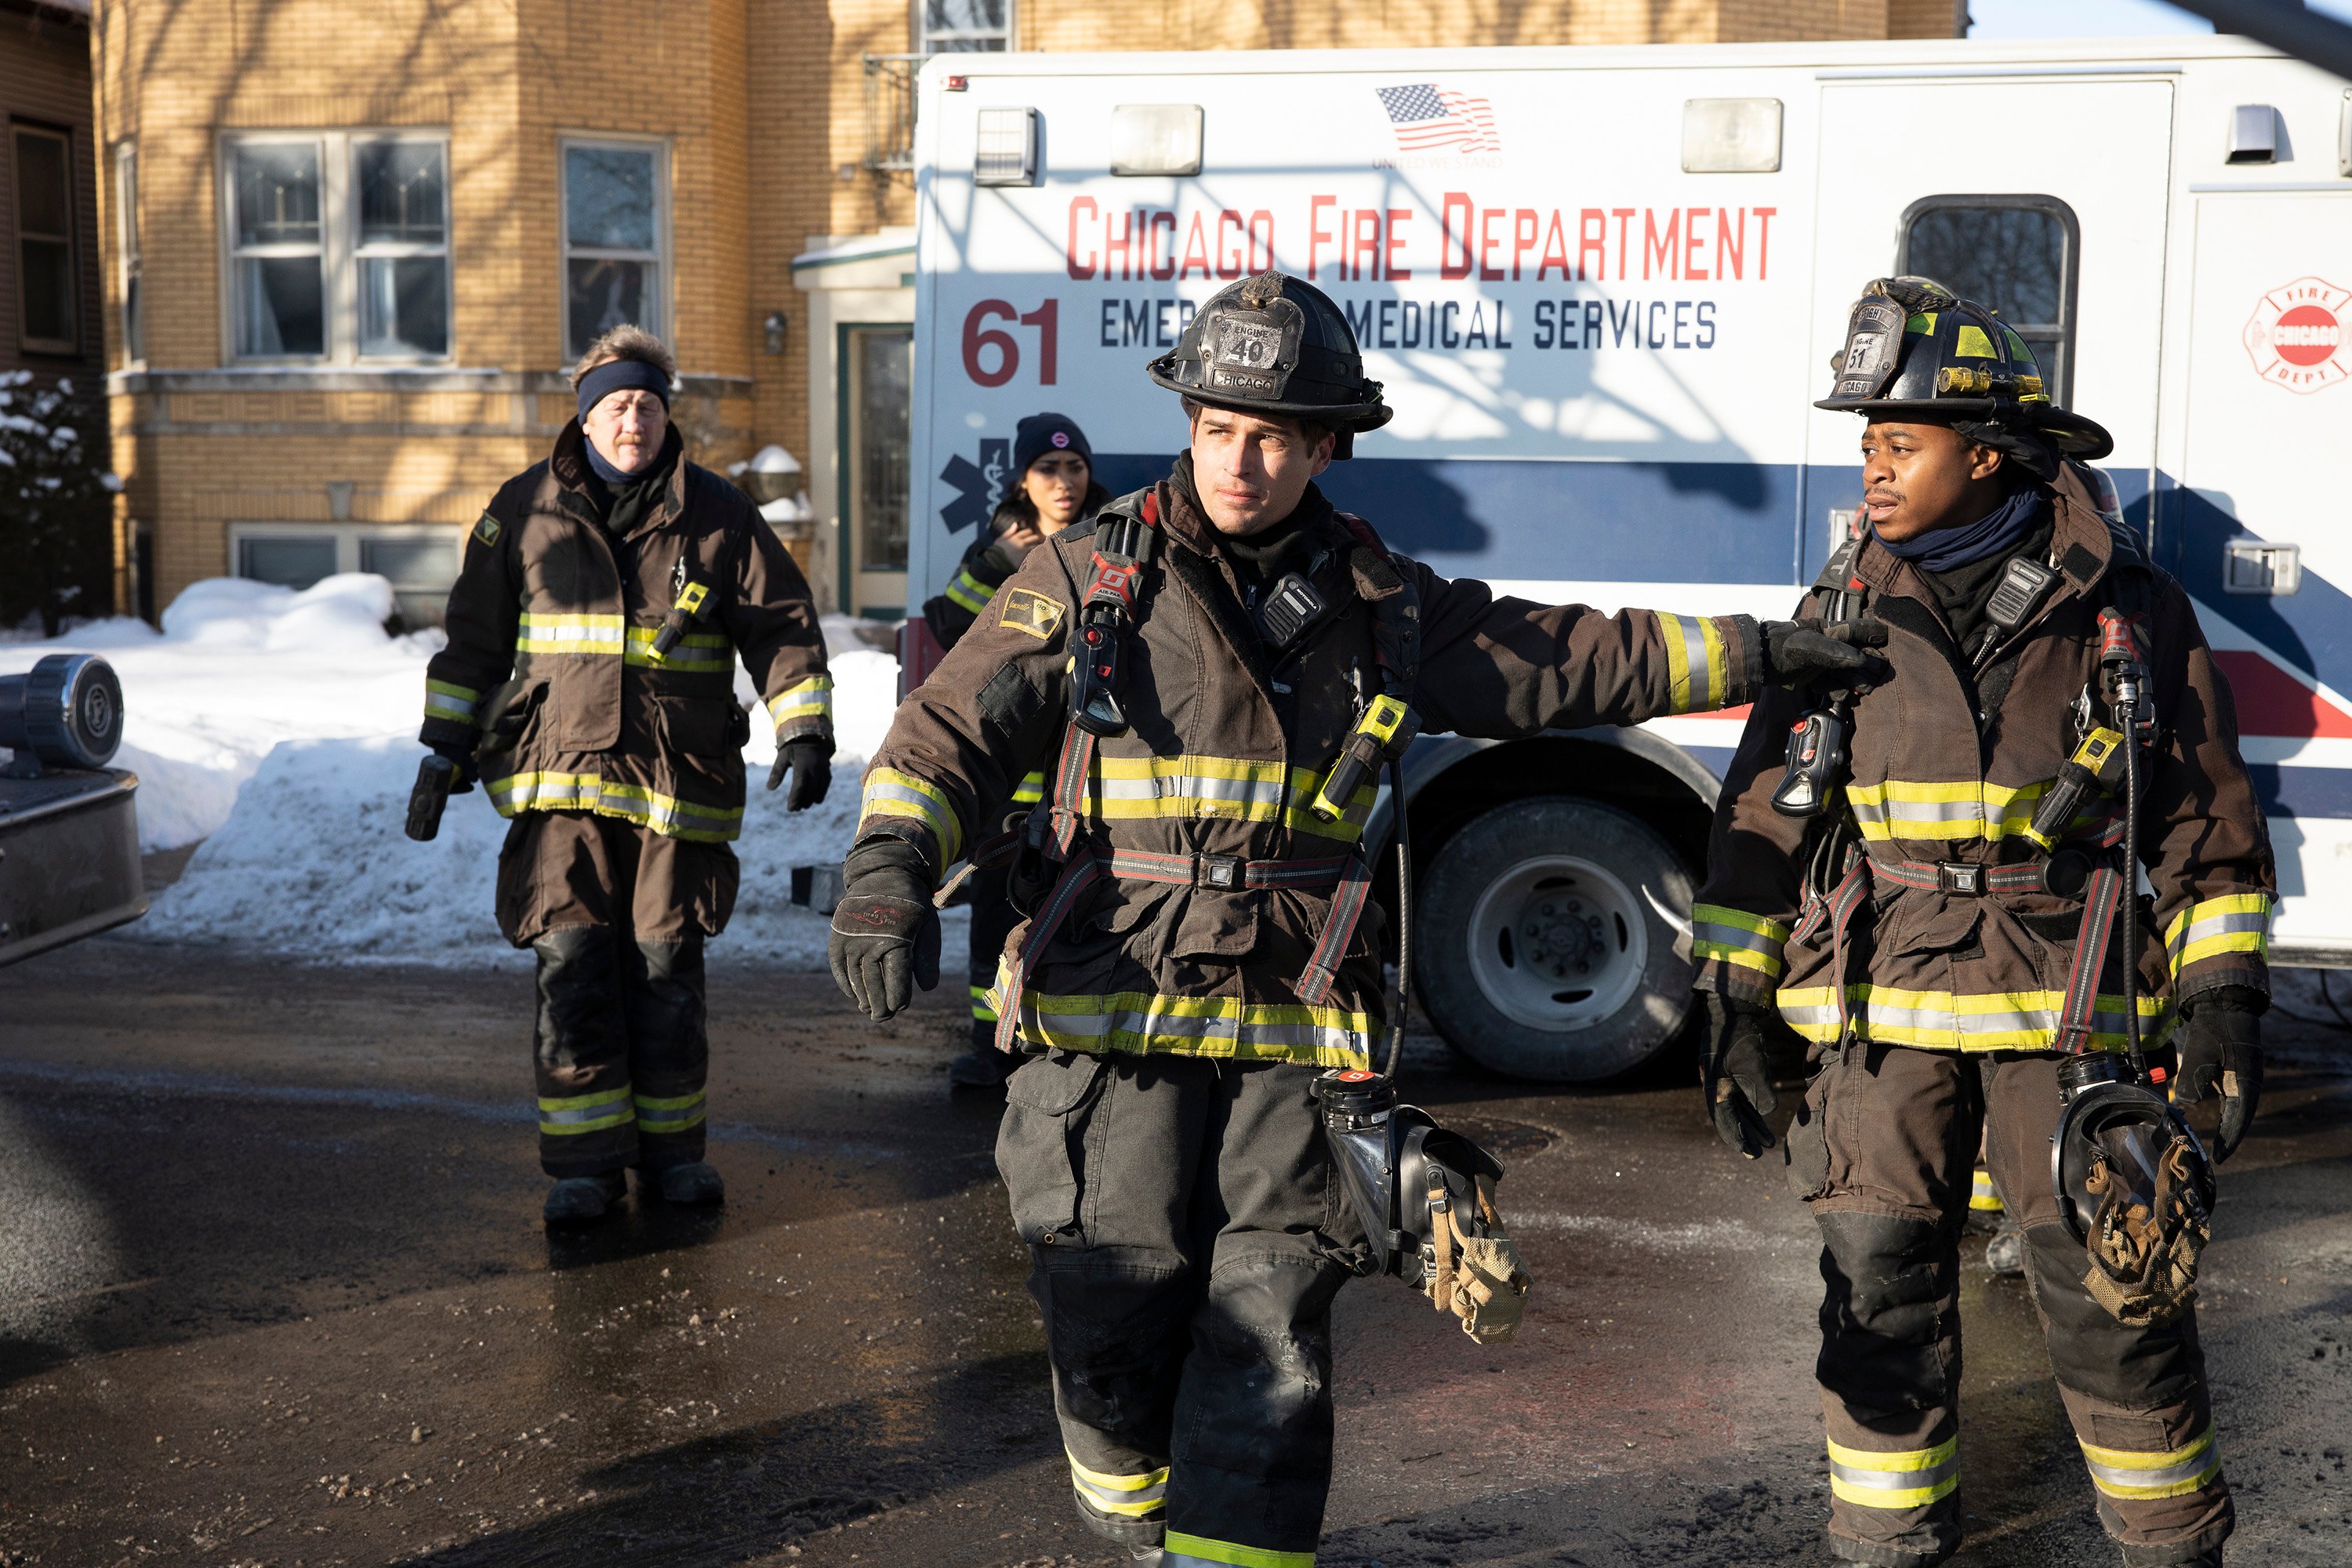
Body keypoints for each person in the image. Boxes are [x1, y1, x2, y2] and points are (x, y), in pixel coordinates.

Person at [827, 270, 1878, 1567]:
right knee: (1106, 1317)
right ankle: (1134, 1527)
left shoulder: (1382, 607)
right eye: (1215, 427)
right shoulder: (1085, 579)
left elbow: (1564, 657)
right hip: (1115, 1034)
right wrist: (887, 867)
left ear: (1328, 444)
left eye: (1272, 435)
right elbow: (950, 735)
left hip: (1293, 1038)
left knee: (1270, 1332)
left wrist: (1762, 656)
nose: (1239, 460)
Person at [1693, 277, 2270, 1567]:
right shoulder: (1839, 611)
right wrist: (1731, 1002)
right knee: (1876, 1304)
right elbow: (1763, 820)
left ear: (1989, 452)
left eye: (1899, 444)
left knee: (2118, 1305)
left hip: (2070, 1025)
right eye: (1866, 445)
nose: (1871, 470)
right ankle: (1889, 1552)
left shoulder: (2127, 614)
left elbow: (2209, 836)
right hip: (1879, 1030)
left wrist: (2226, 1006)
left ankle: (2172, 1548)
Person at [418, 325, 834, 1225]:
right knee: (571, 969)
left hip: (673, 790)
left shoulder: (718, 513)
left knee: (664, 969)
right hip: (556, 784)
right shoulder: (522, 509)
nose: (633, 419)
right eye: (615, 404)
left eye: (647, 402)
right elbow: (474, 641)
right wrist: (443, 745)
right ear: (585, 415)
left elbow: (783, 626)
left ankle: (674, 1156)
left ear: (665, 411)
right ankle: (584, 1165)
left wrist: (805, 728)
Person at [918, 412, 1109, 1090]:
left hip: (1088, 776)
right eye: (1048, 470)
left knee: (1083, 911)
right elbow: (958, 637)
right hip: (1012, 781)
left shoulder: (1115, 540)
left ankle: (1063, 1045)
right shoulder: (1000, 548)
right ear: (1024, 482)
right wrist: (1001, 562)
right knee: (999, 916)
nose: (1064, 482)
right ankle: (989, 1043)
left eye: (1074, 468)